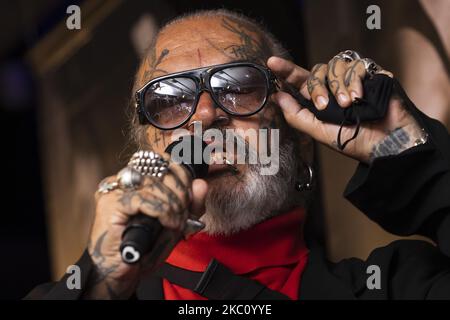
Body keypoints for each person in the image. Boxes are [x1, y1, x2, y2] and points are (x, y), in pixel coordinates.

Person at [26, 9, 450, 300]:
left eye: (240, 87)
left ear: (300, 137)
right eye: (170, 100)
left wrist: (413, 160)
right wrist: (99, 280)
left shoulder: (395, 286)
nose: (206, 117)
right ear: (147, 149)